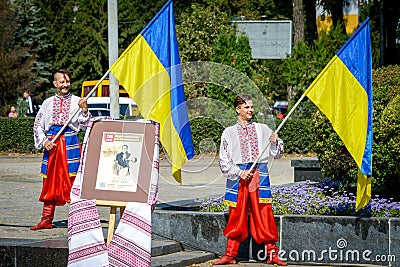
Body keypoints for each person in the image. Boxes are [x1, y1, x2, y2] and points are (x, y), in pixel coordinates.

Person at [213, 94, 287, 265]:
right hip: (238, 178)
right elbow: (223, 159)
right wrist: (239, 172)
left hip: (259, 176)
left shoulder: (263, 129)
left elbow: (277, 153)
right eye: (247, 107)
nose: (251, 110)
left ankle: (272, 254)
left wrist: (275, 142)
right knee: (237, 215)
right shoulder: (228, 133)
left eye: (252, 107)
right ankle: (230, 255)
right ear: (238, 109)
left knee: (264, 213)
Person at [30, 69, 91, 230]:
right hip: (53, 145)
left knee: (72, 181)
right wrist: (44, 141)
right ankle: (46, 220)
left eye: (67, 81)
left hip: (70, 144)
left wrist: (84, 110)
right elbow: (38, 125)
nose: (65, 85)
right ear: (55, 83)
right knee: (49, 181)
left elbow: (85, 126)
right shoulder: (47, 103)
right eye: (62, 82)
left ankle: (77, 222)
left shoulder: (79, 101)